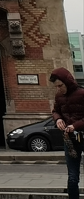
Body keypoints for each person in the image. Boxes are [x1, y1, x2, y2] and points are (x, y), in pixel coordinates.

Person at [49, 68, 84, 199]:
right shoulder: (58, 97)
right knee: (72, 177)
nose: (58, 89)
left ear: (67, 82)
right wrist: (57, 119)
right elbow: (55, 111)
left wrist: (74, 125)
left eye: (60, 85)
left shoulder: (82, 93)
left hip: (82, 135)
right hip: (70, 141)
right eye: (56, 86)